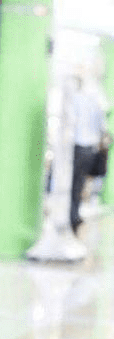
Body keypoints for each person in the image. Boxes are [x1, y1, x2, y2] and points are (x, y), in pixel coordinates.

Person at [69, 74, 107, 234]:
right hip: (90, 149)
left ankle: (72, 216)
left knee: (74, 183)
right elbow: (102, 128)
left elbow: (71, 123)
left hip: (78, 147)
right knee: (80, 182)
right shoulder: (97, 101)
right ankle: (74, 215)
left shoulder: (77, 100)